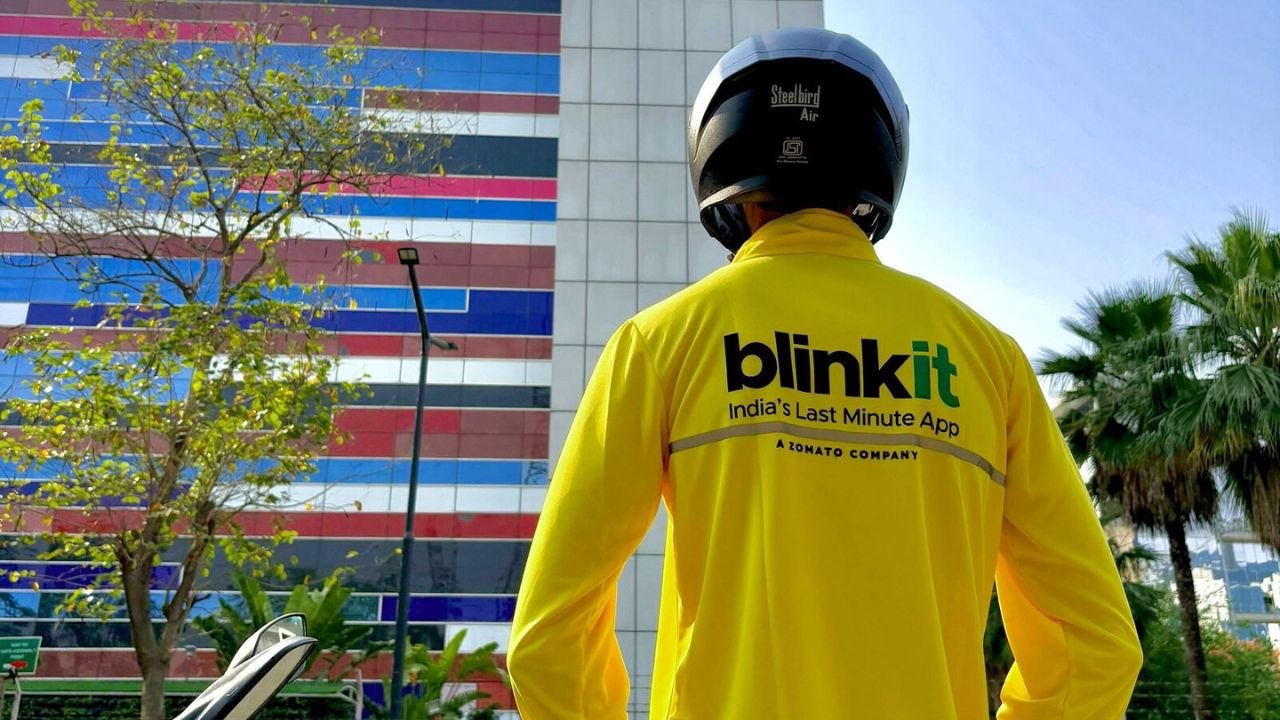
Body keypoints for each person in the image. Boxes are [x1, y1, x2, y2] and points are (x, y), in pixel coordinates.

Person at [507, 27, 1142, 719]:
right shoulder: (987, 360)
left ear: (721, 165)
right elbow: (1096, 645)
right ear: (877, 163)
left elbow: (548, 638)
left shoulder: (661, 344)